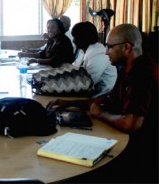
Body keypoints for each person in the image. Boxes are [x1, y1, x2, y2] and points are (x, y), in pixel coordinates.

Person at [47, 24, 158, 183]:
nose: (106, 52)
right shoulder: (127, 68)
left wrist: (100, 114)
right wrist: (69, 103)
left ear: (127, 47)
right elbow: (106, 100)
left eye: (110, 47)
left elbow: (131, 124)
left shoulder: (143, 74)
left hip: (143, 154)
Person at [71, 22, 117, 97]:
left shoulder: (98, 54)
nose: (73, 41)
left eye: (75, 37)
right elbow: (73, 69)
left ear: (82, 38)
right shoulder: (83, 50)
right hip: (89, 94)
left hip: (101, 98)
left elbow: (85, 84)